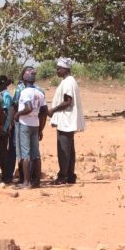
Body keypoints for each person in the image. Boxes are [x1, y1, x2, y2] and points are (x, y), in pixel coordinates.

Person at [49, 57, 85, 185]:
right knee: (69, 149)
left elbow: (67, 102)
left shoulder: (68, 82)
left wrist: (53, 110)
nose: (57, 71)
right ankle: (70, 175)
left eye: (59, 69)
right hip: (66, 120)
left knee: (63, 149)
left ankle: (63, 176)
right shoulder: (68, 81)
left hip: (66, 120)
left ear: (65, 69)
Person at [13, 67, 47, 188]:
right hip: (35, 124)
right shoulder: (40, 92)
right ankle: (36, 181)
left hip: (25, 125)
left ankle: (26, 182)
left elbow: (28, 108)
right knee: (36, 154)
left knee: (25, 154)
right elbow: (44, 111)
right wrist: (41, 127)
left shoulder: (24, 92)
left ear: (24, 78)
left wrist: (17, 114)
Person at [0, 75, 15, 183]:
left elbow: (6, 113)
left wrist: (4, 128)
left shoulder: (6, 95)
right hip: (1, 127)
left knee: (3, 152)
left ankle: (6, 175)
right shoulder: (2, 94)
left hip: (4, 128)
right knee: (0, 151)